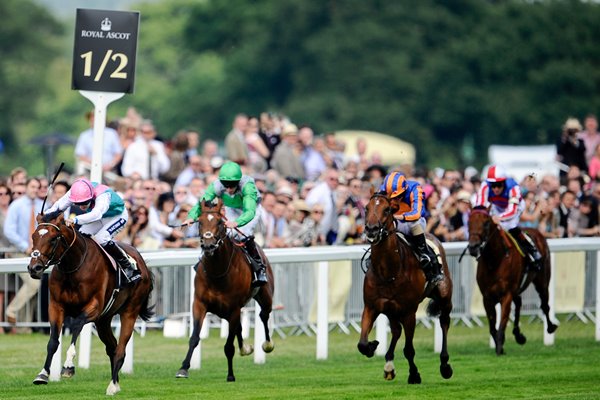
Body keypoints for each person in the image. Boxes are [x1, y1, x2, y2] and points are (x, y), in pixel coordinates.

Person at [184, 161, 267, 287]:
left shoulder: (247, 186)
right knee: (223, 233)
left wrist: (237, 222)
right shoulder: (216, 186)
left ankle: (259, 269)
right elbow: (202, 204)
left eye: (232, 185)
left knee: (243, 234)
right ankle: (207, 262)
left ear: (238, 181)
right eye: (225, 184)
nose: (228, 188)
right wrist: (190, 217)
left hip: (250, 209)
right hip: (231, 208)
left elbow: (249, 211)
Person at [44, 178, 141, 284]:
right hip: (100, 217)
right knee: (81, 237)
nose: (82, 206)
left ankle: (128, 266)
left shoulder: (103, 196)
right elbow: (59, 206)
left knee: (101, 239)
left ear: (90, 196)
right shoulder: (75, 192)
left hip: (116, 216)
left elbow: (96, 214)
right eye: (78, 203)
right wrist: (45, 216)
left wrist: (75, 219)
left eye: (85, 202)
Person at [378, 172, 444, 285]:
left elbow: (417, 213)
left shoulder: (415, 188)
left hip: (412, 223)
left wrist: (398, 217)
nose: (393, 201)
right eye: (390, 197)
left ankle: (424, 253)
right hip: (393, 223)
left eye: (397, 197)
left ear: (404, 190)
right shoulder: (382, 191)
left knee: (415, 223)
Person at [475, 165, 542, 270]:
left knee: (509, 227)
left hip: (514, 207)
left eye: (499, 185)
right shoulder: (484, 186)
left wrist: (499, 218)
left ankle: (532, 250)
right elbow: (480, 206)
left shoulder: (513, 187)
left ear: (504, 182)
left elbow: (512, 211)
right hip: (497, 206)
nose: (495, 188)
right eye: (493, 185)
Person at [3, 178, 44, 331]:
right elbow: (9, 230)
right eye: (32, 186)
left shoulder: (42, 206)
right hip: (18, 252)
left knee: (33, 288)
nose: (35, 189)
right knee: (34, 283)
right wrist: (24, 246)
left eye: (37, 187)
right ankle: (11, 311)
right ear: (26, 187)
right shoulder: (17, 205)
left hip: (36, 254)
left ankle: (24, 327)